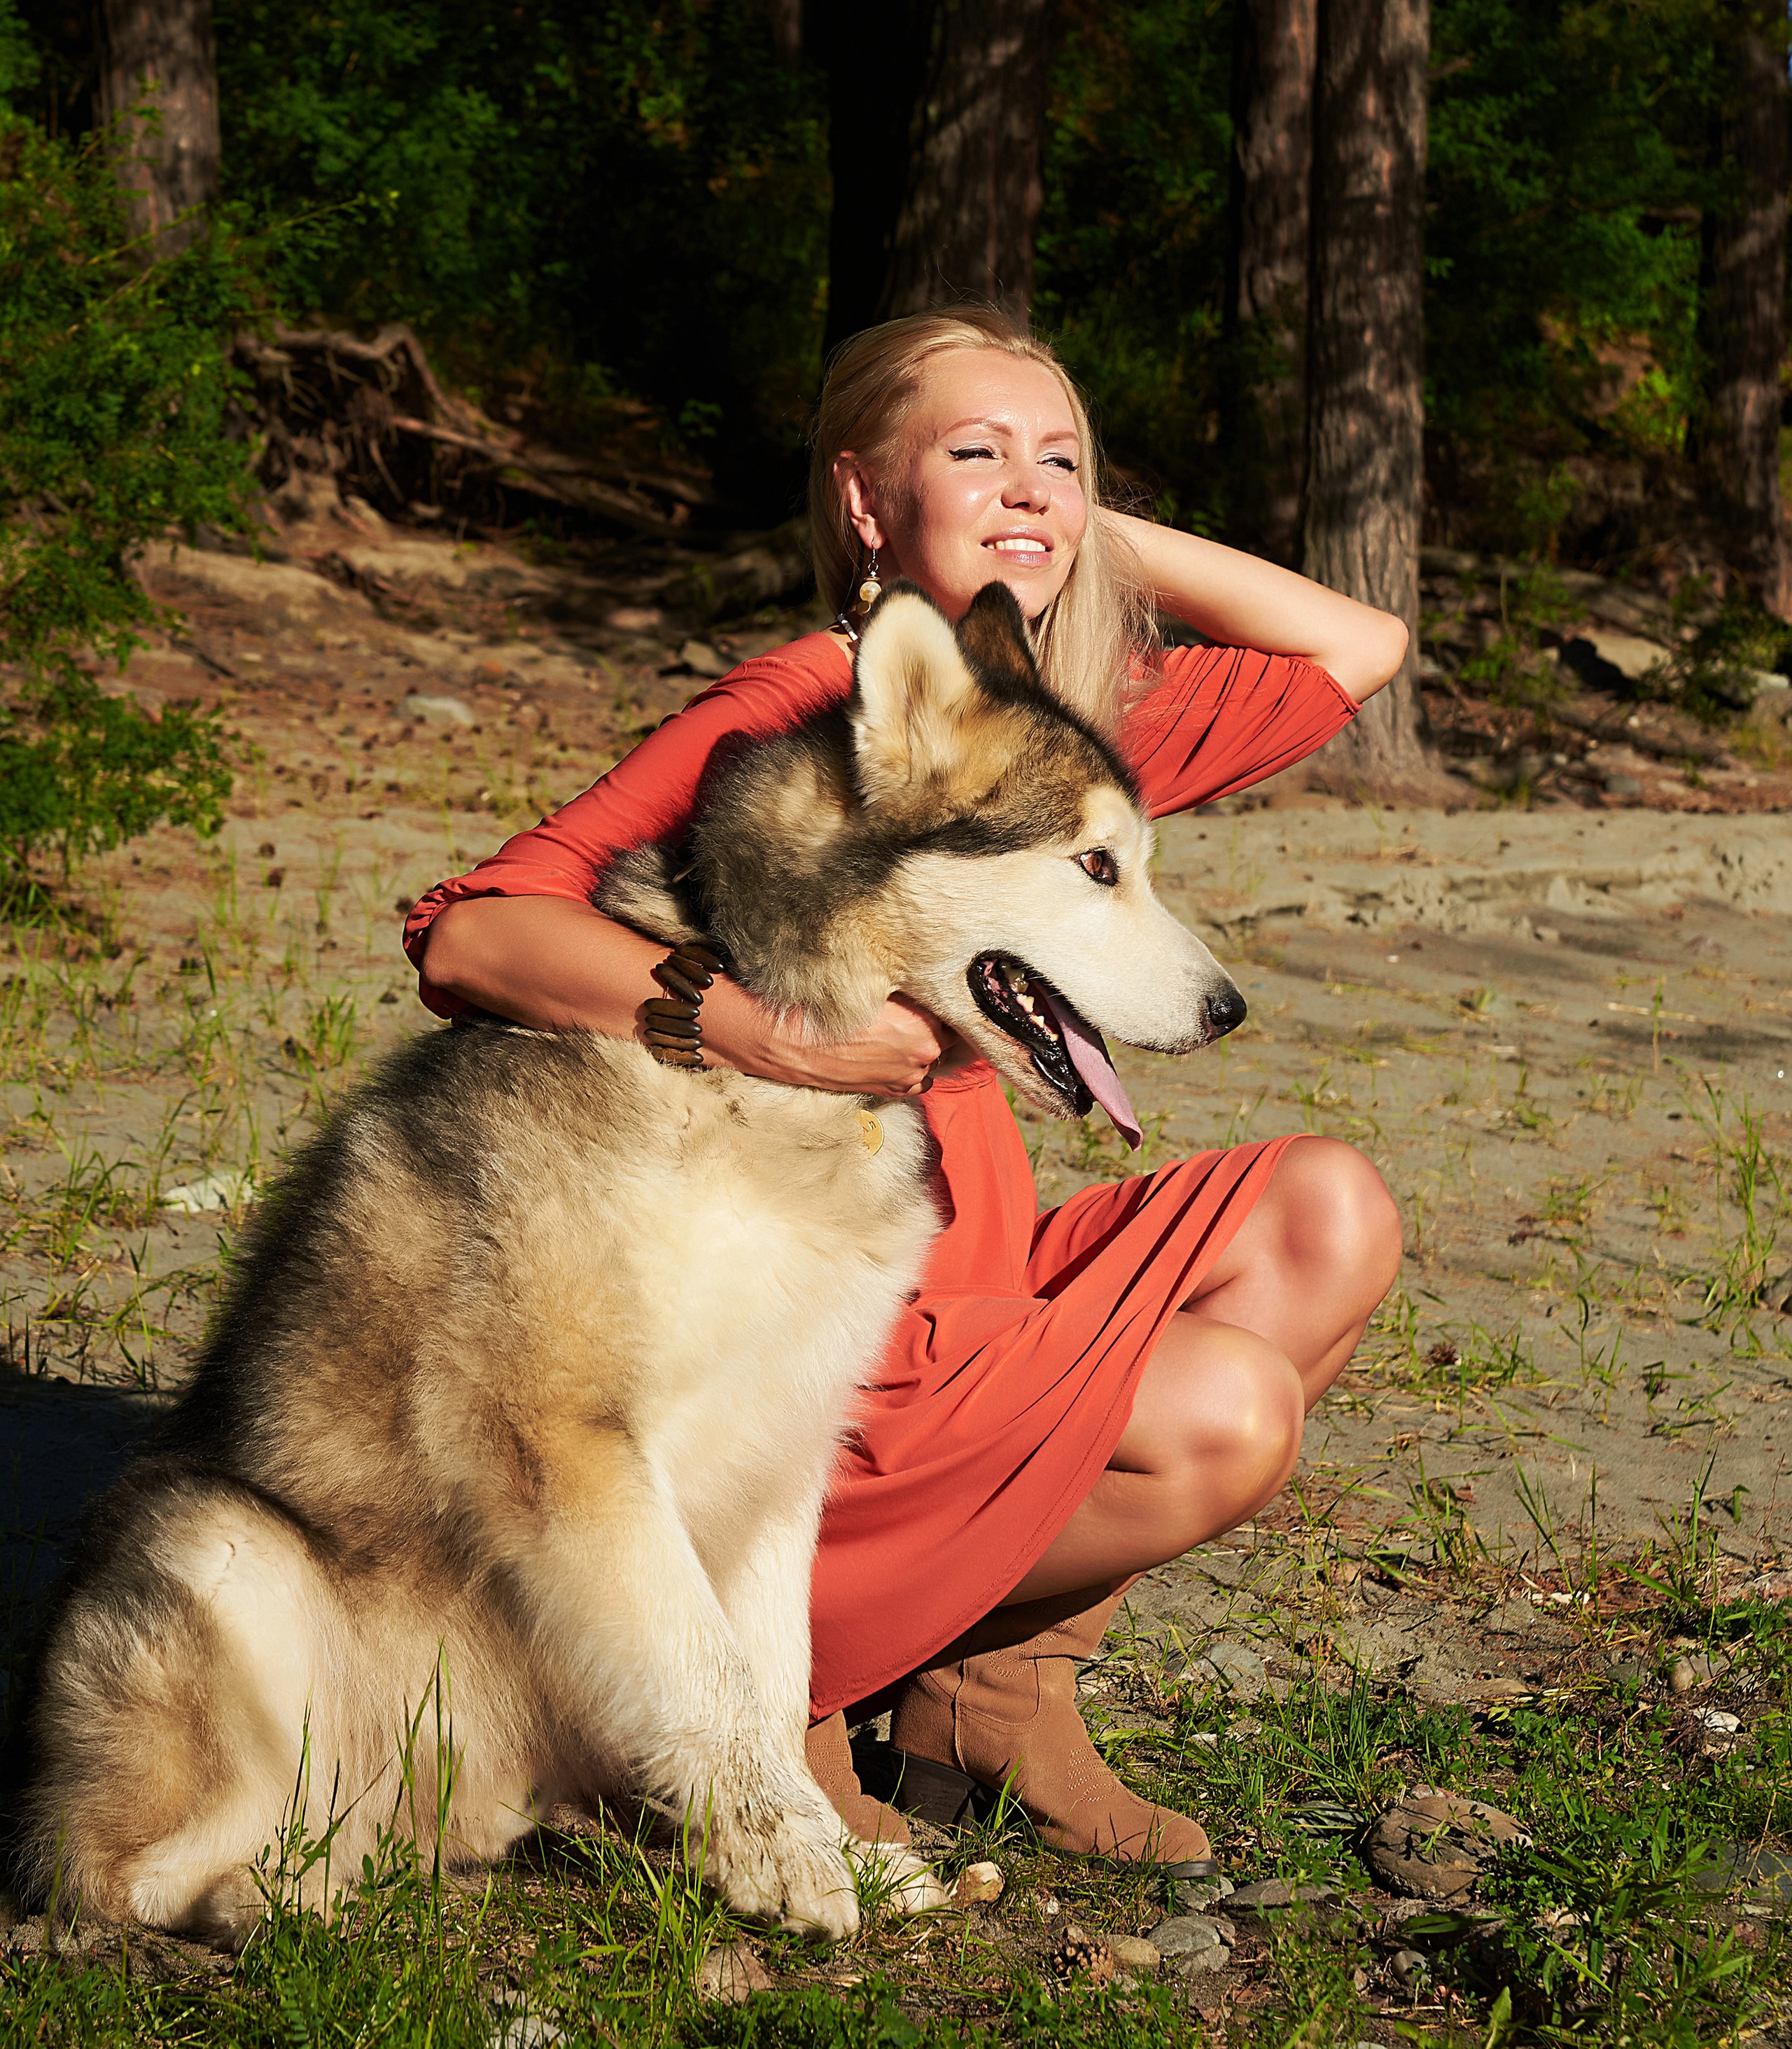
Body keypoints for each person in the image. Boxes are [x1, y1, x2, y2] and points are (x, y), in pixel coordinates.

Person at [405, 307, 1408, 1866]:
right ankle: (776, 1689)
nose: (1028, 483)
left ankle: (990, 1701)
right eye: (973, 453)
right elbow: (472, 932)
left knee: (1322, 1214)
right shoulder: (803, 716)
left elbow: (1358, 645)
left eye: (1058, 454)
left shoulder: (1045, 723)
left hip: (975, 1296)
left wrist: (1055, 528)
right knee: (1223, 1416)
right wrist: (753, 1026)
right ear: (864, 502)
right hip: (820, 1374)